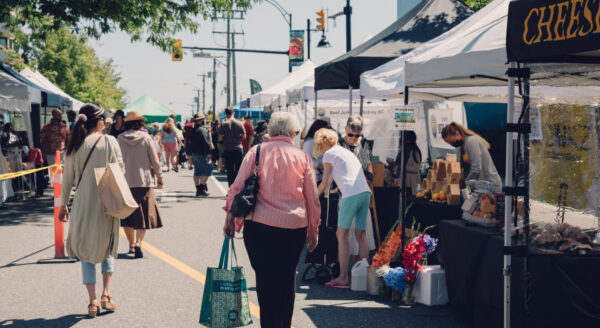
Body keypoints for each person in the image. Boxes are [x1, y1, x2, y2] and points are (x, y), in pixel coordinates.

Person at [223, 112, 319, 328]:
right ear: (293, 133)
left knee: (265, 281)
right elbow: (312, 197)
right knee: (286, 280)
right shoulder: (302, 156)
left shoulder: (256, 152)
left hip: (259, 227)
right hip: (293, 227)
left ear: (271, 131)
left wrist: (230, 217)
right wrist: (313, 227)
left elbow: (237, 188)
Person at [58, 103, 122, 318]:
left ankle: (92, 302)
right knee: (108, 244)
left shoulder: (74, 143)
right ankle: (106, 294)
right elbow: (120, 169)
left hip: (82, 204)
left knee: (85, 250)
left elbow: (66, 179)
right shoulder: (109, 141)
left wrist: (63, 205)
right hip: (107, 202)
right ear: (100, 121)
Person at [314, 128, 371, 288]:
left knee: (341, 234)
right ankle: (365, 276)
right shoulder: (345, 152)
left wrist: (312, 198)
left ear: (320, 143)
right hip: (365, 192)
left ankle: (343, 277)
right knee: (361, 234)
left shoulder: (328, 154)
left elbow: (325, 182)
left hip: (351, 194)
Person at [117, 109, 164, 259]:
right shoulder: (146, 138)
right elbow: (154, 160)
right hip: (144, 182)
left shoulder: (119, 139)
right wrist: (160, 176)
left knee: (127, 217)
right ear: (140, 123)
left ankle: (130, 245)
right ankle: (138, 242)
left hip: (125, 183)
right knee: (143, 215)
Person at [338, 115, 376, 262]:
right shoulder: (338, 143)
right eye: (351, 134)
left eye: (357, 135)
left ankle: (361, 268)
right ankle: (347, 271)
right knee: (345, 233)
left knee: (361, 232)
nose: (354, 138)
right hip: (345, 193)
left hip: (361, 191)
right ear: (345, 129)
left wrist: (368, 177)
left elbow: (368, 165)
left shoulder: (364, 143)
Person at [441, 122, 502, 191]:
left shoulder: (472, 141)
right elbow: (459, 168)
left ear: (457, 134)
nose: (452, 144)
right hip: (478, 186)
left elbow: (476, 168)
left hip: (490, 185)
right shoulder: (458, 147)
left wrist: (464, 183)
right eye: (449, 143)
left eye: (452, 142)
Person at [218, 106, 246, 186]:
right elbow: (244, 136)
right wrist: (238, 139)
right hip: (238, 148)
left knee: (230, 170)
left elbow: (219, 138)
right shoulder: (239, 123)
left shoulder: (224, 124)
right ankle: (238, 188)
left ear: (226, 114)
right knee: (239, 170)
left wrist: (226, 138)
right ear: (233, 113)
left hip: (228, 149)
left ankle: (231, 188)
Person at [189, 113, 213, 197]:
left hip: (194, 153)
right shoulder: (202, 130)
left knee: (197, 171)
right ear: (201, 120)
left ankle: (198, 189)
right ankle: (201, 188)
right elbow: (206, 142)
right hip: (201, 153)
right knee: (208, 169)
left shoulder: (192, 129)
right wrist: (209, 152)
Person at [396, 131, 422, 195]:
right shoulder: (403, 150)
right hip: (404, 182)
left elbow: (416, 168)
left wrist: (403, 167)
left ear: (408, 140)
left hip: (411, 184)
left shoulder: (415, 151)